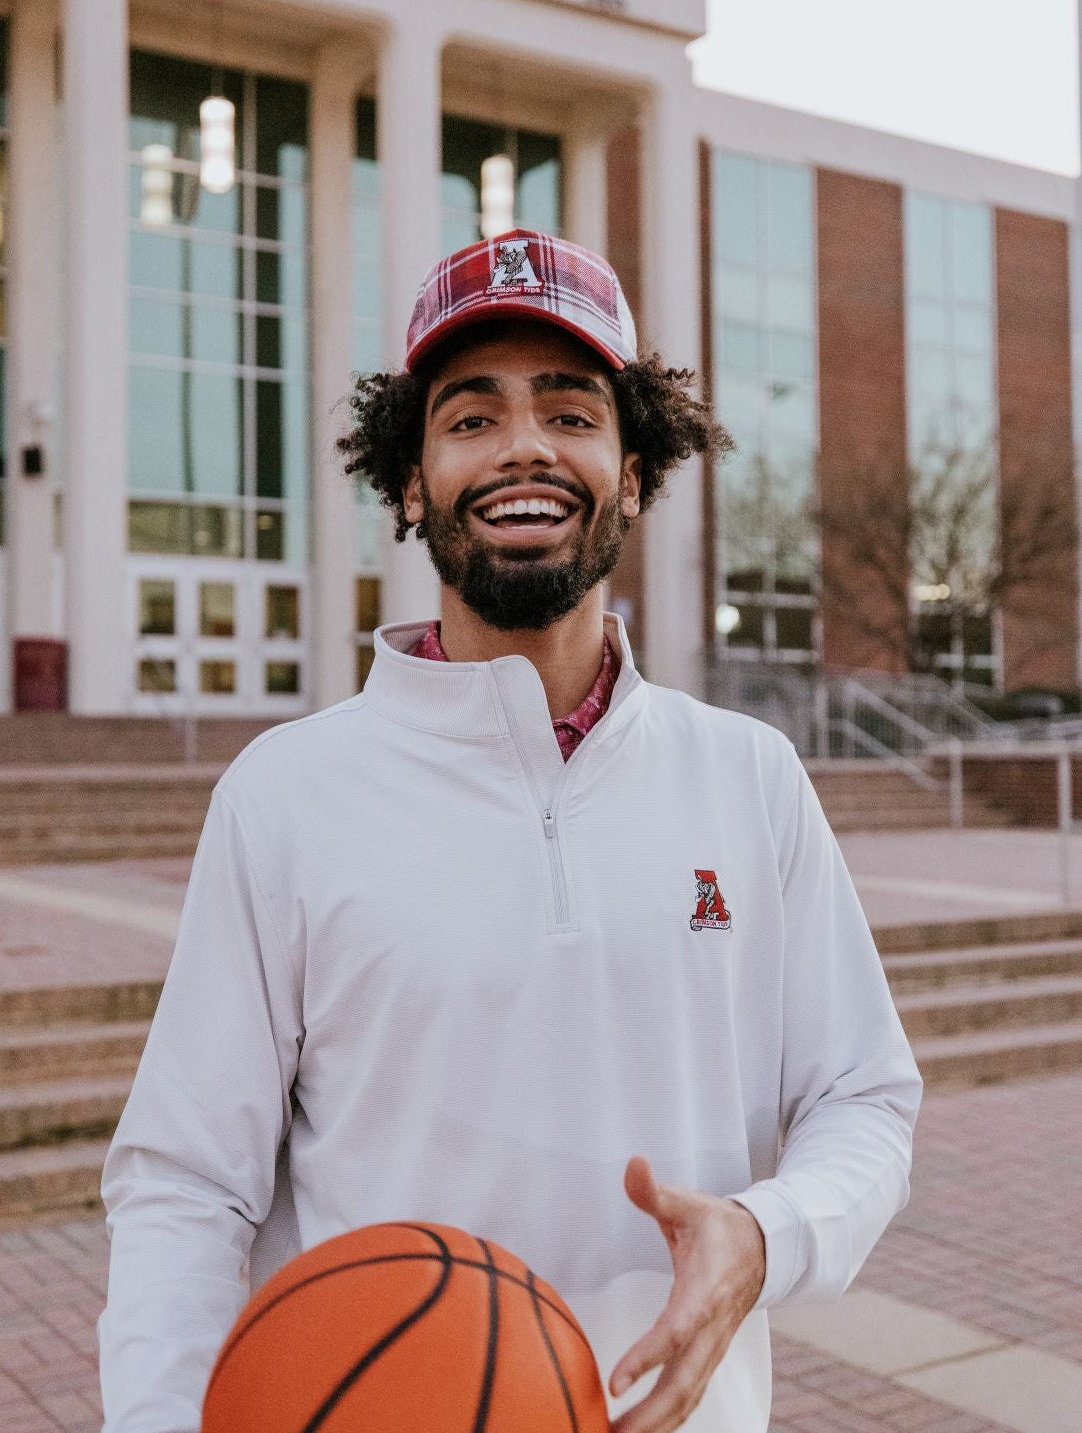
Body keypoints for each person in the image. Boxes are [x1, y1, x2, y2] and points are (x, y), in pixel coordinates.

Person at [99, 229, 922, 1433]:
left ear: (634, 472)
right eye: (472, 416)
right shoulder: (283, 794)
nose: (524, 444)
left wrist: (766, 1232)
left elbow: (864, 1095)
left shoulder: (750, 774)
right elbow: (184, 1181)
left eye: (572, 411)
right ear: (408, 483)